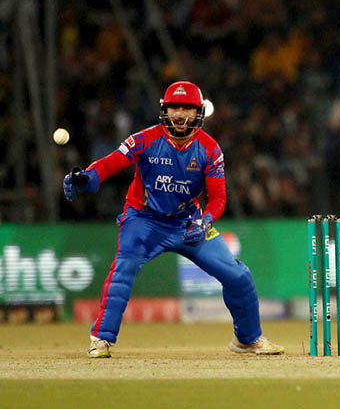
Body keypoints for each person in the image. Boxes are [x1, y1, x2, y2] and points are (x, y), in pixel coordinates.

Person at [63, 81, 285, 358]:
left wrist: (205, 221)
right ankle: (101, 339)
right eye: (174, 108)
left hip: (188, 223)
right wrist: (88, 177)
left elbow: (217, 199)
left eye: (187, 109)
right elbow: (111, 163)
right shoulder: (145, 139)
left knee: (238, 276)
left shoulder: (210, 149)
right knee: (124, 267)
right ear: (164, 110)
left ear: (198, 113)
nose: (180, 114)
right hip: (143, 219)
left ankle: (247, 339)